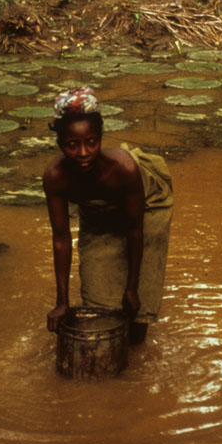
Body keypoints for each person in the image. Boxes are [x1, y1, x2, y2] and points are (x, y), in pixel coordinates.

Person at [43, 88, 173, 344]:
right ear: (60, 145)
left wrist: (132, 288)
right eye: (72, 145)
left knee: (137, 312)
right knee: (97, 307)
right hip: (98, 209)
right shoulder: (55, 176)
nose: (83, 153)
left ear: (101, 138)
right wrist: (62, 303)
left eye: (91, 142)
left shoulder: (123, 168)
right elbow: (61, 238)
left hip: (147, 206)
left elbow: (135, 229)